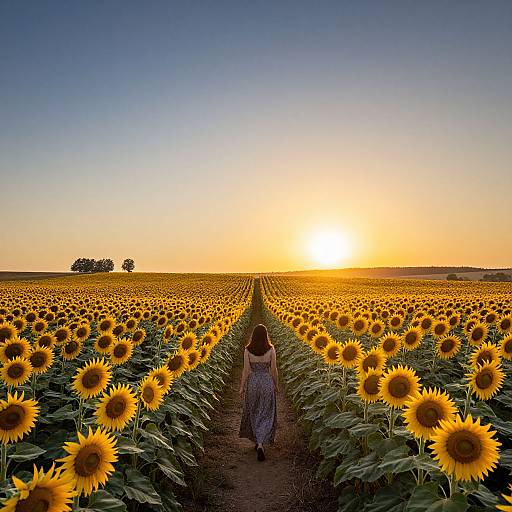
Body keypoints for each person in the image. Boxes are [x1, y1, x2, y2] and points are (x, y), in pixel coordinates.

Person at [238, 324, 278, 461]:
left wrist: (242, 387)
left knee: (254, 411)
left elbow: (246, 371)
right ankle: (261, 443)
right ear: (266, 336)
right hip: (266, 382)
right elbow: (273, 370)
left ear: (253, 336)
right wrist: (276, 385)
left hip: (254, 383)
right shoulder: (271, 350)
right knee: (266, 412)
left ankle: (257, 441)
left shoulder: (247, 350)